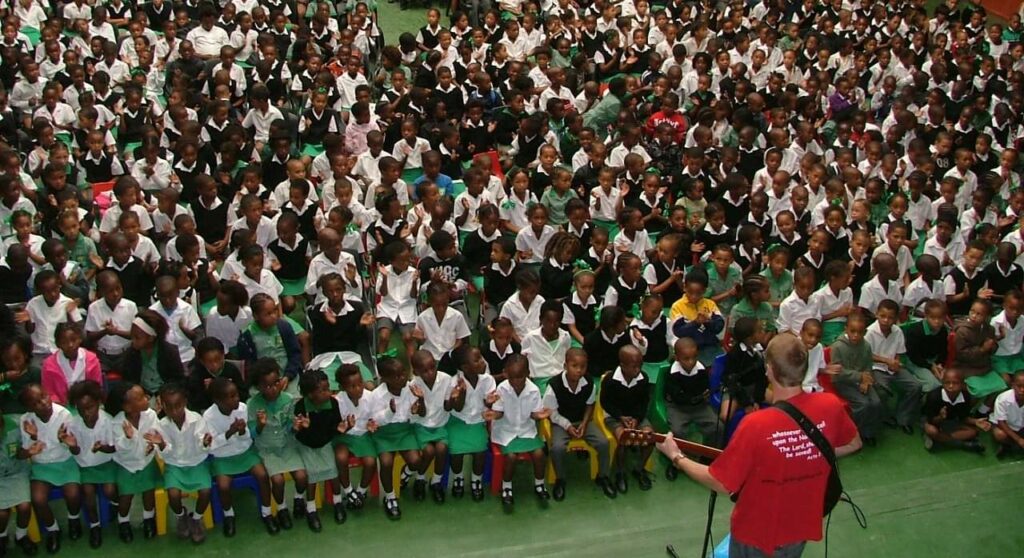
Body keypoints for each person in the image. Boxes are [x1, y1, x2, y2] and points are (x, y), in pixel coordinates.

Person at [657, 333, 862, 558]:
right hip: (801, 526)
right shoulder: (830, 405)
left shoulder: (756, 424)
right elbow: (854, 443)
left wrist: (677, 457)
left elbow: (722, 483)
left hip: (756, 534)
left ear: (769, 370)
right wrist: (806, 452)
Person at [204, 377, 277, 536]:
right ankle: (228, 515)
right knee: (223, 486)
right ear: (218, 401)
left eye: (236, 394)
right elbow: (211, 445)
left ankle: (267, 513)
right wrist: (230, 432)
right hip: (222, 456)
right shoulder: (209, 417)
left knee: (263, 476)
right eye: (231, 397)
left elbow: (248, 437)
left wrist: (243, 431)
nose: (236, 399)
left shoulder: (243, 408)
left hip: (245, 451)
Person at [543, 348, 614, 500]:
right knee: (557, 448)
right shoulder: (553, 386)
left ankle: (603, 476)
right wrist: (567, 425)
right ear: (565, 365)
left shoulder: (589, 383)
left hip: (582, 420)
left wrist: (584, 422)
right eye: (574, 366)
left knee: (603, 443)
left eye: (583, 366)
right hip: (560, 422)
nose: (579, 370)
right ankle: (560, 479)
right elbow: (552, 413)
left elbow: (590, 405)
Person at [247, 358, 309, 531]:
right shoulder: (253, 405)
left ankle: (298, 499)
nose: (273, 388)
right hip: (267, 448)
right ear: (258, 387)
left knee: (302, 476)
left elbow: (289, 426)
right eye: (267, 386)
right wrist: (259, 425)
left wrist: (295, 427)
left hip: (288, 445)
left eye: (276, 383)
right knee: (277, 480)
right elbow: (251, 434)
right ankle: (281, 509)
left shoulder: (288, 399)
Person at [19, 384, 81, 553]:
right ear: (30, 407)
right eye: (37, 402)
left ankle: (73, 519)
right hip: (42, 464)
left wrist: (67, 442)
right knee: (38, 499)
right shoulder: (26, 419)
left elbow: (74, 447)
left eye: (44, 396)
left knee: (73, 493)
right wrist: (33, 438)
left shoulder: (64, 414)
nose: (44, 402)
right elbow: (25, 451)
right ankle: (53, 529)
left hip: (65, 460)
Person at [485, 354, 550, 506]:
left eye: (519, 377)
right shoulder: (501, 388)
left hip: (526, 430)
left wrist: (539, 416)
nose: (515, 381)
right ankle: (506, 487)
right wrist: (493, 414)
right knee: (511, 457)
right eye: (511, 377)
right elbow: (499, 413)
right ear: (506, 374)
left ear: (527, 374)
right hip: (506, 430)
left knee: (540, 454)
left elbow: (534, 414)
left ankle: (539, 484)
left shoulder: (533, 390)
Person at [156, 383, 214, 544]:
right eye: (169, 407)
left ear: (185, 403)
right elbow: (164, 453)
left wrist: (205, 442)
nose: (174, 411)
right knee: (173, 494)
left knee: (206, 491)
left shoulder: (196, 419)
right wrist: (161, 444)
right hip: (174, 465)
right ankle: (181, 516)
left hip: (197, 462)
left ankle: (196, 518)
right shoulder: (162, 425)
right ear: (163, 406)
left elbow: (201, 443)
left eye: (178, 406)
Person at [829, 312, 884, 446]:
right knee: (863, 404)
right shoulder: (837, 346)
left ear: (864, 332)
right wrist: (860, 377)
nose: (855, 335)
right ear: (846, 329)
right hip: (843, 382)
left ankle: (869, 431)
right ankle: (853, 432)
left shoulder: (866, 346)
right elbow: (837, 371)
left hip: (862, 380)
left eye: (859, 332)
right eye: (852, 331)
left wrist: (866, 380)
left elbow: (868, 366)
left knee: (876, 402)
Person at [921, 369, 988, 454]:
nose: (951, 386)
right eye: (947, 383)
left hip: (951, 421)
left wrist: (975, 421)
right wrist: (940, 417)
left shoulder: (965, 396)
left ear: (962, 384)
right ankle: (964, 445)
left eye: (955, 383)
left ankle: (940, 439)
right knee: (931, 431)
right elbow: (931, 420)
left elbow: (962, 417)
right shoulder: (934, 396)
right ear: (943, 383)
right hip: (933, 421)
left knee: (973, 432)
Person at [40, 323, 102, 406]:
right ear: (58, 344)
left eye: (73, 340)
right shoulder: (48, 365)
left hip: (88, 405)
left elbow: (96, 388)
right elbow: (49, 392)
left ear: (80, 339)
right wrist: (62, 407)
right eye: (64, 342)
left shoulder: (92, 359)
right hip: (61, 407)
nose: (70, 345)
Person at [991, 372, 1024, 460]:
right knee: (1000, 435)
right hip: (1005, 425)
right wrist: (1018, 439)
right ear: (1013, 385)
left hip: (1021, 426)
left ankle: (1014, 446)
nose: (1022, 390)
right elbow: (1001, 422)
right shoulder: (1003, 399)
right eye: (1019, 386)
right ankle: (1007, 445)